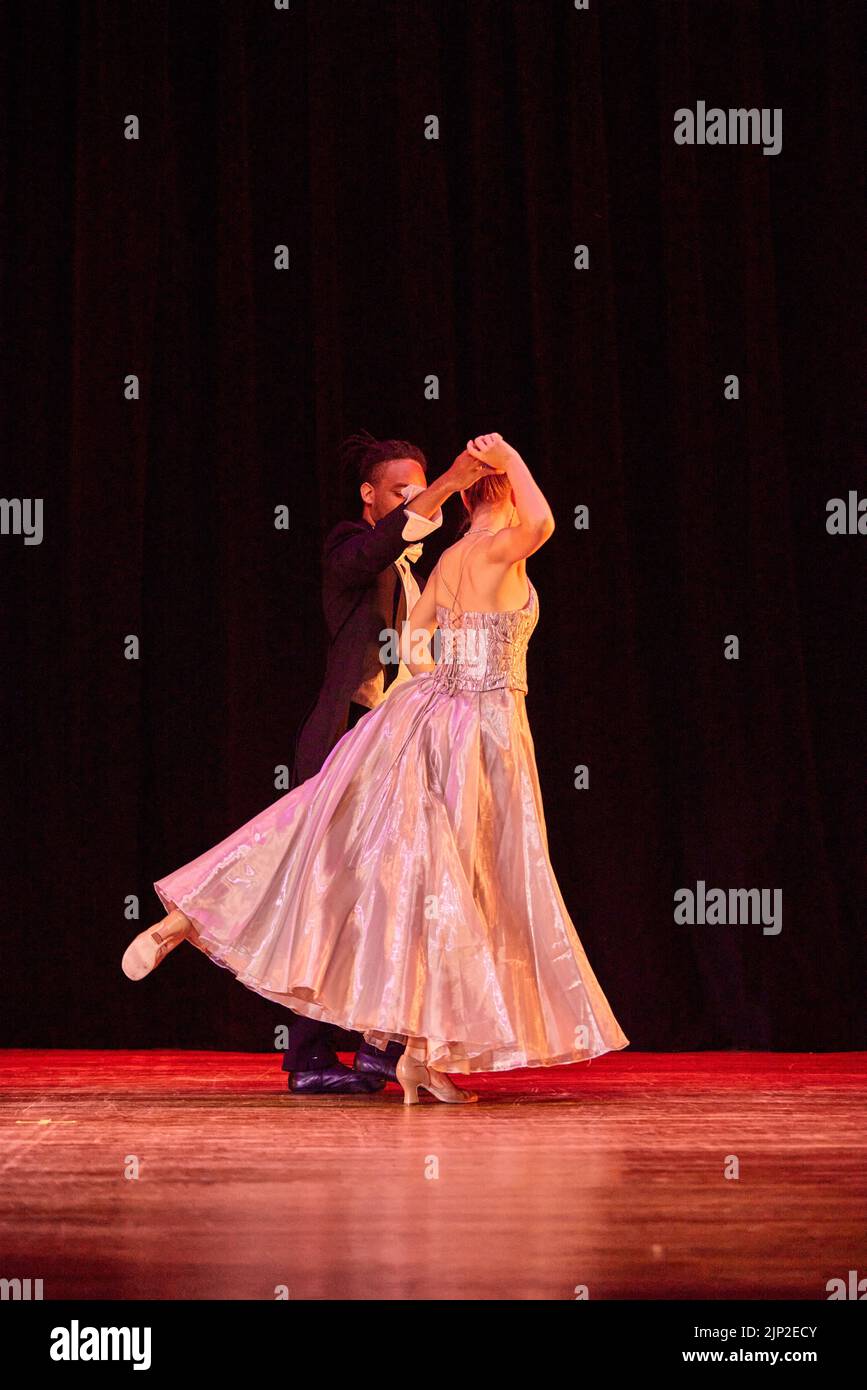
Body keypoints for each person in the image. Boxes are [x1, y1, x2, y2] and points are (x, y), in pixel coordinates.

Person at [122, 433, 629, 1104]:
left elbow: (418, 638)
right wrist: (499, 461)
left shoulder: (444, 558)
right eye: (400, 489)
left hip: (414, 721)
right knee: (365, 876)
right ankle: (337, 1049)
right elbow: (537, 524)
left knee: (389, 878)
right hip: (439, 727)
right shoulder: (377, 546)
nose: (415, 498)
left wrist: (429, 691)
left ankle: (401, 1052)